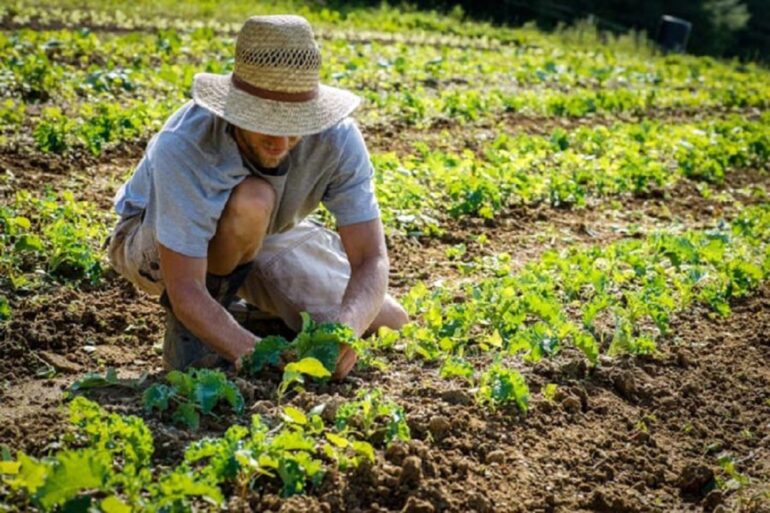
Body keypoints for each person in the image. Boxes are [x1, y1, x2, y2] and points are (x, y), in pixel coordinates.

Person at [107, 15, 408, 380]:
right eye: (266, 124)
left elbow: (370, 258)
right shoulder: (186, 143)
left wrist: (347, 331)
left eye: (295, 125)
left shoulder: (337, 138)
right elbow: (185, 286)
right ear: (237, 109)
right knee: (253, 199)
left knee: (388, 318)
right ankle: (199, 332)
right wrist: (258, 354)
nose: (280, 142)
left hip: (262, 235)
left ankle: (245, 316)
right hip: (158, 243)